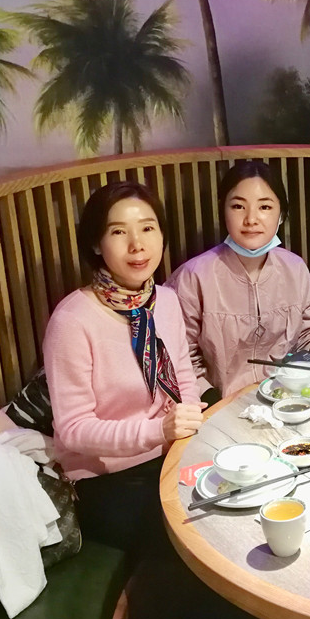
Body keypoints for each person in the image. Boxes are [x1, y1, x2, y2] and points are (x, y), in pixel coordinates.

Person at [43, 181, 203, 551]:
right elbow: (73, 430)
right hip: (106, 481)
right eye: (119, 232)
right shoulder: (72, 320)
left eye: (147, 228)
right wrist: (157, 430)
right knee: (195, 537)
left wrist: (188, 426)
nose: (137, 245)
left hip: (170, 456)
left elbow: (183, 377)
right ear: (96, 244)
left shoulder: (166, 300)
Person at [168, 160, 310, 399]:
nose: (251, 219)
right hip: (218, 403)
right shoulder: (193, 277)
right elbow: (179, 356)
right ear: (223, 211)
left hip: (286, 397)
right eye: (238, 206)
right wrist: (210, 399)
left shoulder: (295, 269)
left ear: (281, 215)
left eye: (265, 207)